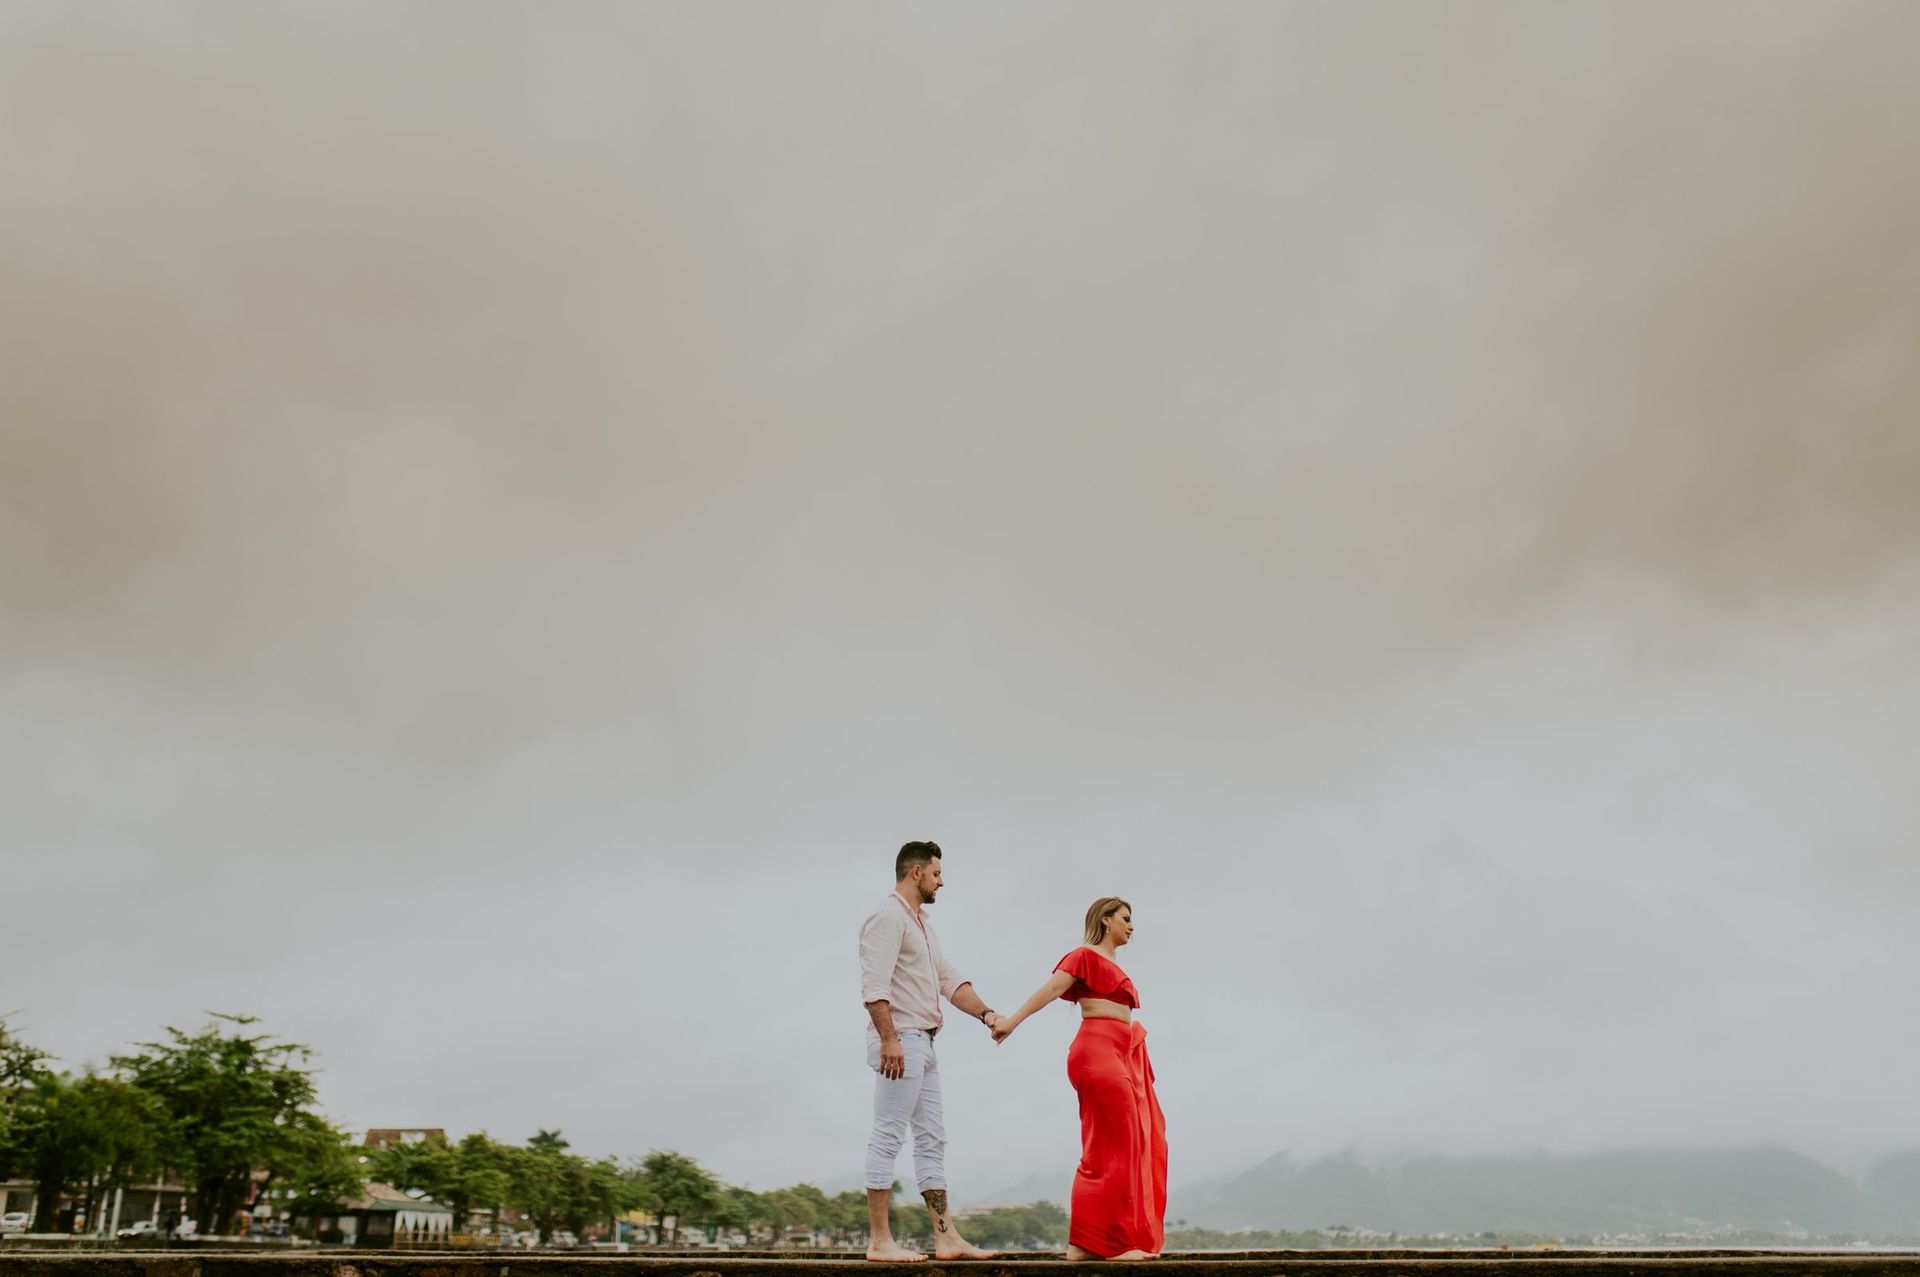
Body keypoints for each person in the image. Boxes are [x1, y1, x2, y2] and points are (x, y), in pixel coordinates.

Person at [991, 897, 1167, 1261]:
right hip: (1098, 1051)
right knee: (1116, 1145)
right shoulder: (1084, 955)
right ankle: (1112, 1244)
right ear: (1106, 920)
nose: (1132, 927)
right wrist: (1012, 1021)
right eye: (1126, 919)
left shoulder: (1110, 962)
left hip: (1118, 1051)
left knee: (1118, 1143)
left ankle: (1084, 1245)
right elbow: (1052, 989)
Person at [858, 841, 1003, 1263]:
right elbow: (874, 985)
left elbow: (949, 980)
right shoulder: (886, 918)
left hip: (925, 1041)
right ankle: (879, 1241)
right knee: (887, 1134)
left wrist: (988, 1015)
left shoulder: (921, 924)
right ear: (916, 872)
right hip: (900, 1040)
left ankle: (946, 1238)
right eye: (937, 873)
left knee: (932, 1139)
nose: (943, 880)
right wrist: (889, 1039)